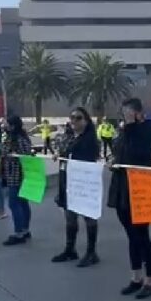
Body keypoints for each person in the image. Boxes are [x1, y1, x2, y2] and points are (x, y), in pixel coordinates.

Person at [107, 98, 151, 299]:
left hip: (140, 189)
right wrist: (113, 161)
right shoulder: (125, 131)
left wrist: (131, 127)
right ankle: (136, 277)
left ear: (138, 113)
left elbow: (139, 154)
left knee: (142, 235)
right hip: (122, 188)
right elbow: (120, 153)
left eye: (127, 113)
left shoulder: (148, 130)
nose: (124, 117)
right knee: (131, 235)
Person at [53, 107, 102, 267]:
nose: (73, 121)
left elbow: (89, 159)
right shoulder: (69, 136)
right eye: (72, 117)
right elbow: (64, 152)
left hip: (84, 183)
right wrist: (59, 154)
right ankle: (70, 249)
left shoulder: (90, 140)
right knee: (70, 216)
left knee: (89, 217)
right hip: (67, 181)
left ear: (86, 121)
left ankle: (91, 252)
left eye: (78, 118)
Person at [1, 115, 33, 246]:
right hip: (20, 175)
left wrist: (5, 153)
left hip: (15, 175)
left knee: (14, 204)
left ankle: (19, 232)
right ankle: (25, 230)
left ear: (12, 126)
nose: (4, 125)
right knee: (23, 203)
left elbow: (9, 154)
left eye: (6, 123)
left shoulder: (15, 139)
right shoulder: (21, 138)